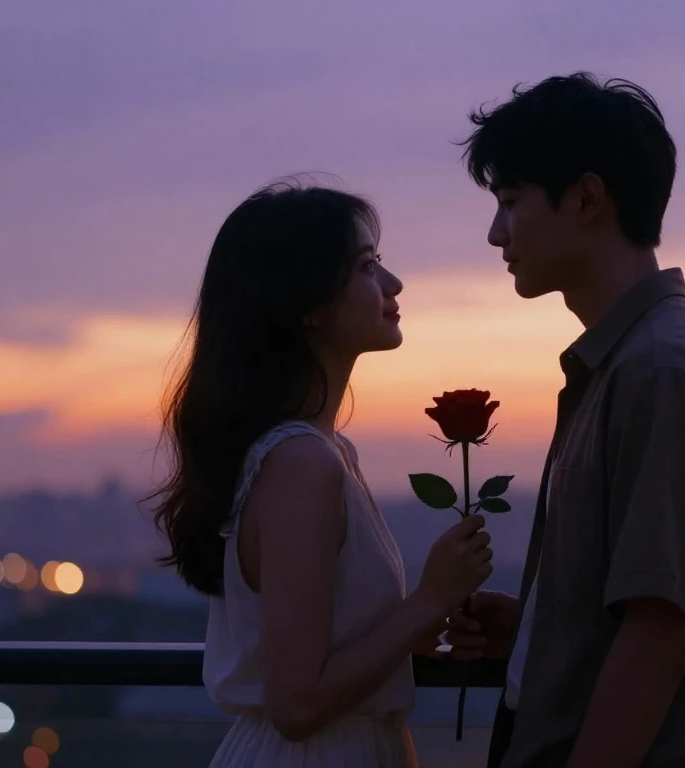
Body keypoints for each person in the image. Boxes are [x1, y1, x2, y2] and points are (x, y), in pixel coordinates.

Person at [445, 73, 685, 767]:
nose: (495, 232)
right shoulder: (630, 362)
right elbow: (643, 610)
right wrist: (542, 633)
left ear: (588, 198)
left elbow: (662, 631)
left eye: (511, 201)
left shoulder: (663, 371)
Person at [150, 180, 495, 767]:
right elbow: (297, 704)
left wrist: (418, 630)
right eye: (366, 266)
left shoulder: (326, 453)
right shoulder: (302, 464)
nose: (393, 283)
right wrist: (429, 600)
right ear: (306, 305)